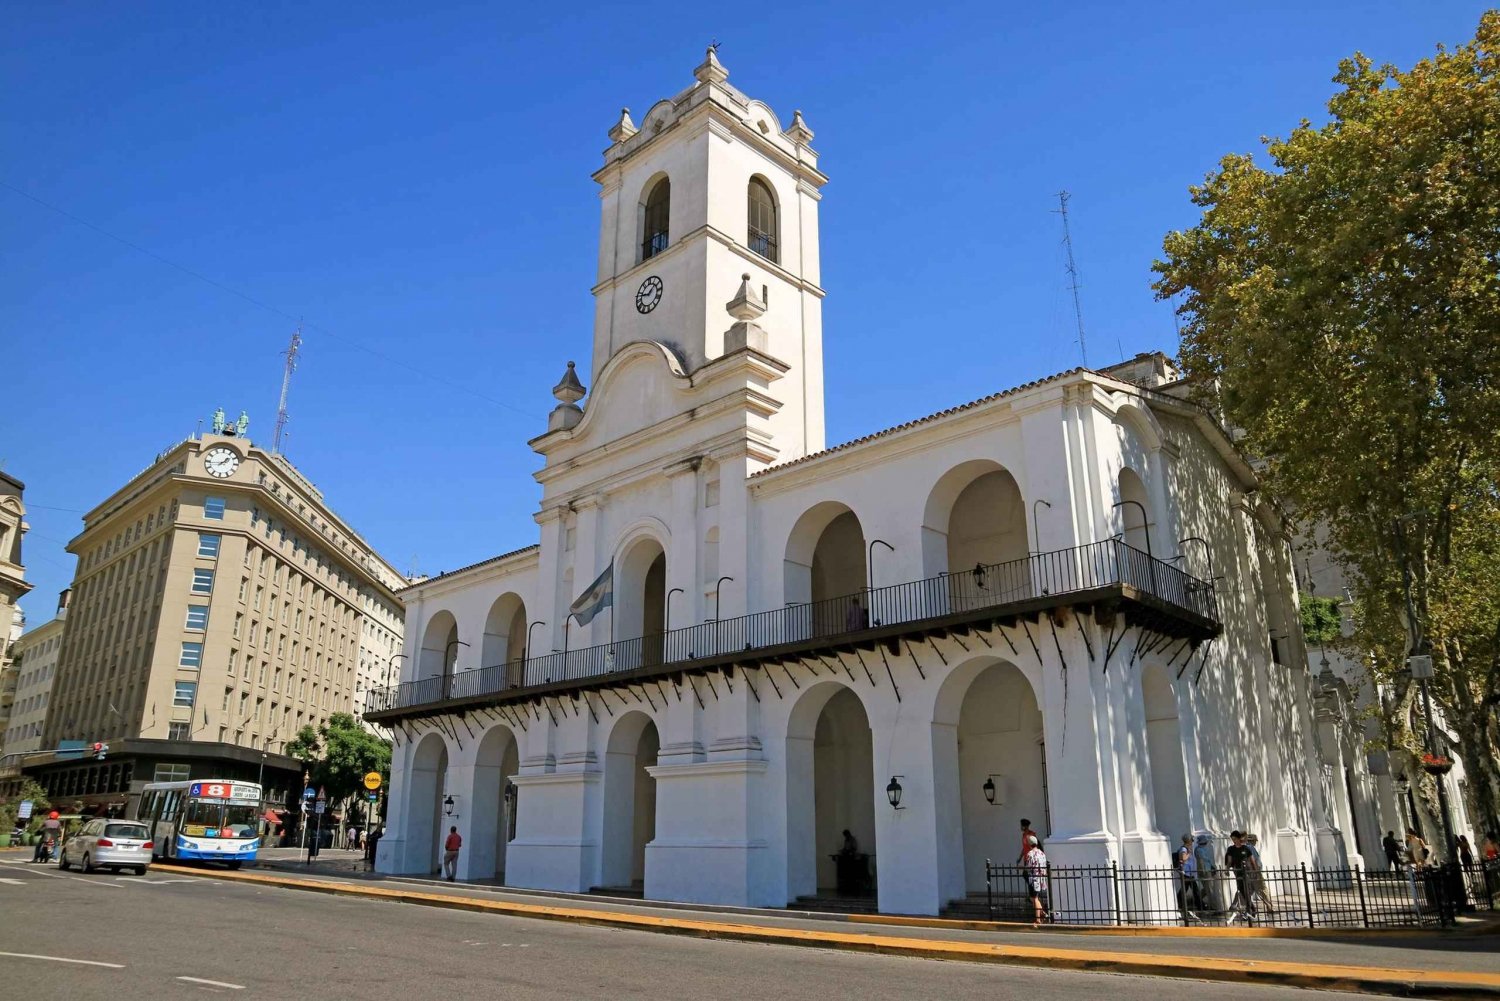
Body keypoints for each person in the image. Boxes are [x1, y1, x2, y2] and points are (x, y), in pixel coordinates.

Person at [1223, 830, 1257, 921]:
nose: (1234, 841)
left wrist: (1255, 871)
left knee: (1246, 891)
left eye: (1235, 839)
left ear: (1239, 838)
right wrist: (1227, 869)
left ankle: (1249, 911)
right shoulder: (1231, 849)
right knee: (1242, 891)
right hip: (1238, 872)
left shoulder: (1246, 849)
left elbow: (1252, 860)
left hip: (1247, 872)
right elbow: (1229, 861)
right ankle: (1252, 909)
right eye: (1232, 839)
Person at [1022, 834, 1050, 926]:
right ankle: (1043, 913)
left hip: (1034, 878)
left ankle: (1038, 919)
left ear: (1030, 844)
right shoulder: (1042, 853)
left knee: (1035, 898)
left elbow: (1029, 867)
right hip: (1041, 878)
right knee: (1033, 898)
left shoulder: (1030, 854)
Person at [1245, 833, 1275, 915]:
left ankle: (1247, 909)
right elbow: (1253, 860)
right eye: (1255, 841)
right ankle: (1269, 907)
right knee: (1262, 889)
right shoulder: (1250, 847)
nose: (1255, 842)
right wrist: (1256, 872)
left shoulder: (1246, 847)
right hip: (1255, 872)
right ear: (1253, 841)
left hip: (1250, 873)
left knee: (1249, 891)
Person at [1175, 835, 1201, 921]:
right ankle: (1200, 906)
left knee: (1184, 890)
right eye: (1191, 840)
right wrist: (1189, 853)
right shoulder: (1184, 849)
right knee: (1194, 890)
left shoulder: (1186, 849)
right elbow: (1183, 858)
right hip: (1186, 873)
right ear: (1188, 841)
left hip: (1190, 873)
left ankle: (1178, 903)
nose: (1192, 842)